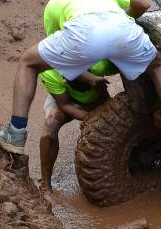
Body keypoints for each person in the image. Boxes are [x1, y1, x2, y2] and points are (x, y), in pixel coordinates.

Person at [0, 0, 161, 155]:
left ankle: (16, 132)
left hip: (82, 33)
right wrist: (124, 20)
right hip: (120, 26)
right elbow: (144, 3)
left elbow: (58, 56)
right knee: (157, 65)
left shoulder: (54, 4)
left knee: (28, 62)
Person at [38, 59, 116, 191]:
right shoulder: (49, 71)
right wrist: (92, 119)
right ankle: (45, 183)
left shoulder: (100, 64)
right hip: (65, 98)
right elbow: (65, 105)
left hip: (97, 97)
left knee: (116, 127)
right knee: (50, 123)